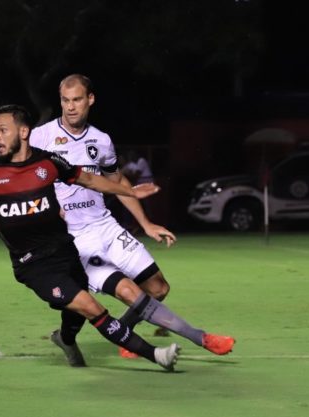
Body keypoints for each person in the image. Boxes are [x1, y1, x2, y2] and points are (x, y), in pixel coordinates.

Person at [0, 104, 181, 371]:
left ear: (23, 132)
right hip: (33, 264)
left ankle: (65, 339)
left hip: (65, 251)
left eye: (2, 130)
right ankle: (156, 355)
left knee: (76, 310)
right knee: (91, 307)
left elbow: (88, 179)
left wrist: (130, 192)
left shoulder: (48, 162)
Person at [29, 74, 234, 362]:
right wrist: (47, 207)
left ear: (90, 100)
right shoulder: (41, 137)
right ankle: (201, 337)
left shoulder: (101, 141)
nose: (71, 107)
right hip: (74, 238)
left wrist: (146, 223)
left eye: (77, 100)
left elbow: (118, 183)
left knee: (158, 288)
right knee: (127, 291)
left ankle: (123, 330)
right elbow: (26, 179)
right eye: (65, 100)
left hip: (105, 225)